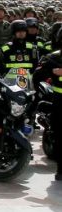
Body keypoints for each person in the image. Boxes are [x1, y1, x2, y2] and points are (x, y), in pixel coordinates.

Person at [34, 41, 62, 180]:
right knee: (58, 134)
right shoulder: (53, 58)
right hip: (59, 101)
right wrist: (52, 72)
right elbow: (38, 74)